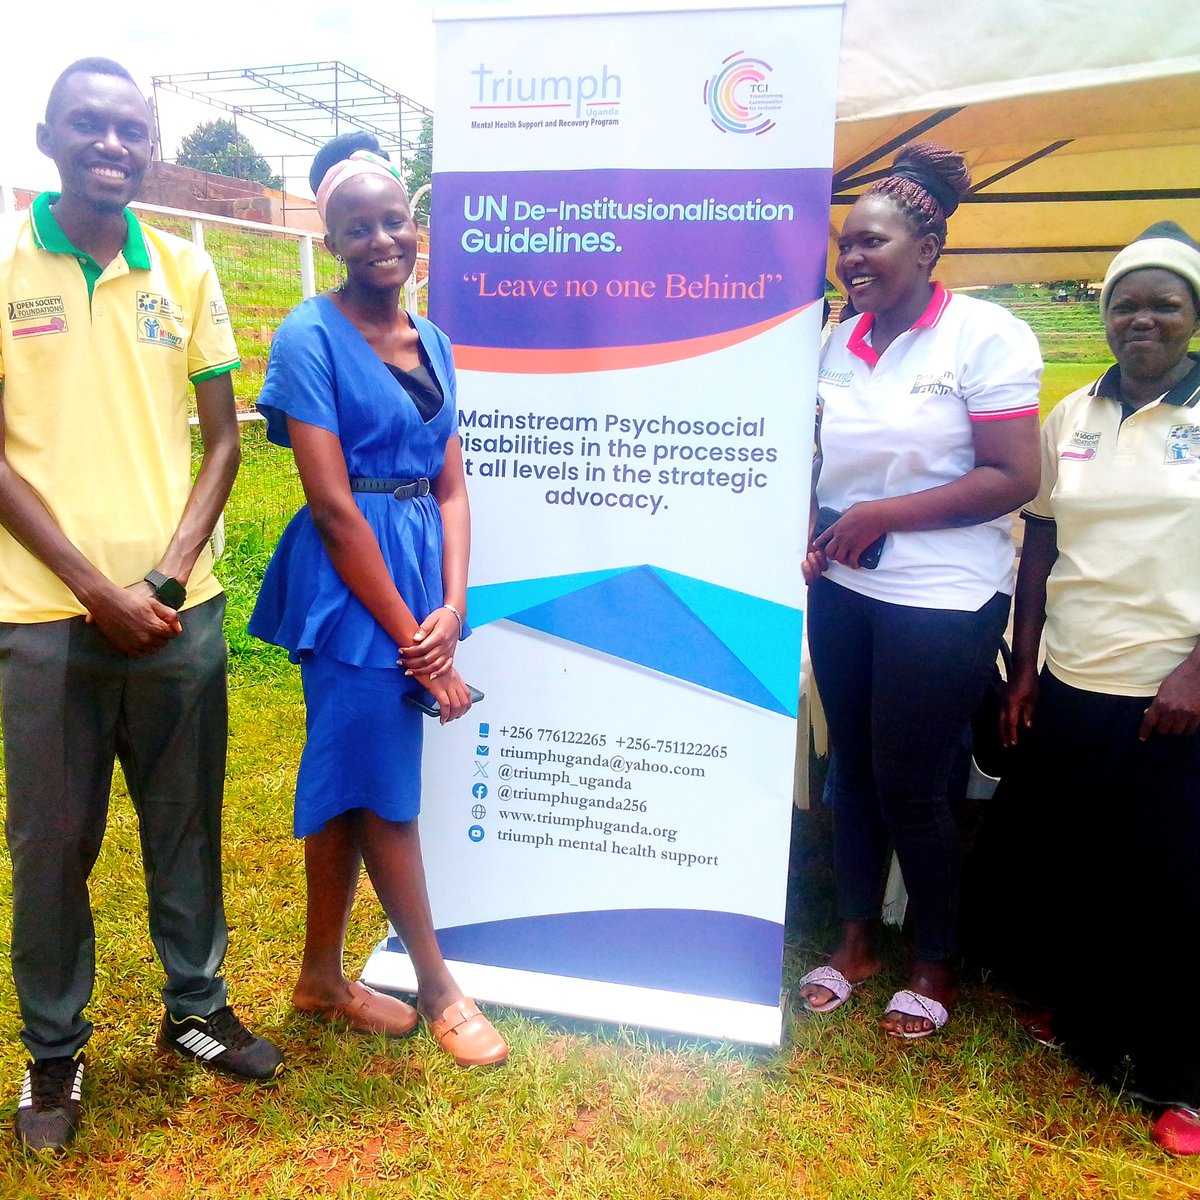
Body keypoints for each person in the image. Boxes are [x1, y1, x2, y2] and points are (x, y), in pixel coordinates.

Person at [0, 58, 283, 1153]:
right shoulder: (8, 264)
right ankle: (53, 1051)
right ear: (46, 137)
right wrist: (92, 588)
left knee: (184, 821)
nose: (111, 144)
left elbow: (222, 440)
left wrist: (162, 580)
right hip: (42, 618)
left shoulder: (189, 269)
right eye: (89, 125)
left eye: (130, 128)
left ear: (152, 147)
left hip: (179, 613)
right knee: (52, 841)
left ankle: (197, 1011)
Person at [248, 135, 508, 1068]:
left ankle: (320, 977)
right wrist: (418, 641)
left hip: (418, 579)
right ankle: (437, 984)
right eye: (356, 228)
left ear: (418, 229)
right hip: (348, 582)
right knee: (386, 792)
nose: (380, 239)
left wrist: (453, 607)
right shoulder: (307, 335)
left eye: (394, 220)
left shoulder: (433, 339)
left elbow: (451, 488)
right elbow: (330, 503)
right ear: (333, 244)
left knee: (356, 779)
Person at [798, 143, 1042, 1037]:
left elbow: (1013, 474)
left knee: (911, 781)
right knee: (851, 771)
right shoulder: (839, 338)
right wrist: (818, 524)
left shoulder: (986, 335)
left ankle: (934, 961)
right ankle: (857, 940)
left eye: (872, 244)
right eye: (846, 246)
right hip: (846, 590)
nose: (853, 259)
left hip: (942, 599)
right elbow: (825, 458)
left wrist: (880, 516)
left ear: (927, 251)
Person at [968, 223, 1200, 1154]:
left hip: (1175, 691)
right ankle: (1093, 1027)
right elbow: (1042, 546)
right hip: (1073, 679)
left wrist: (1196, 669)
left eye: (1164, 302)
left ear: (1193, 315)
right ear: (1104, 316)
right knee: (1089, 864)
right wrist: (1024, 671)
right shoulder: (1073, 415)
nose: (1142, 318)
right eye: (1124, 303)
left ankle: (1185, 1077)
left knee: (1176, 882)